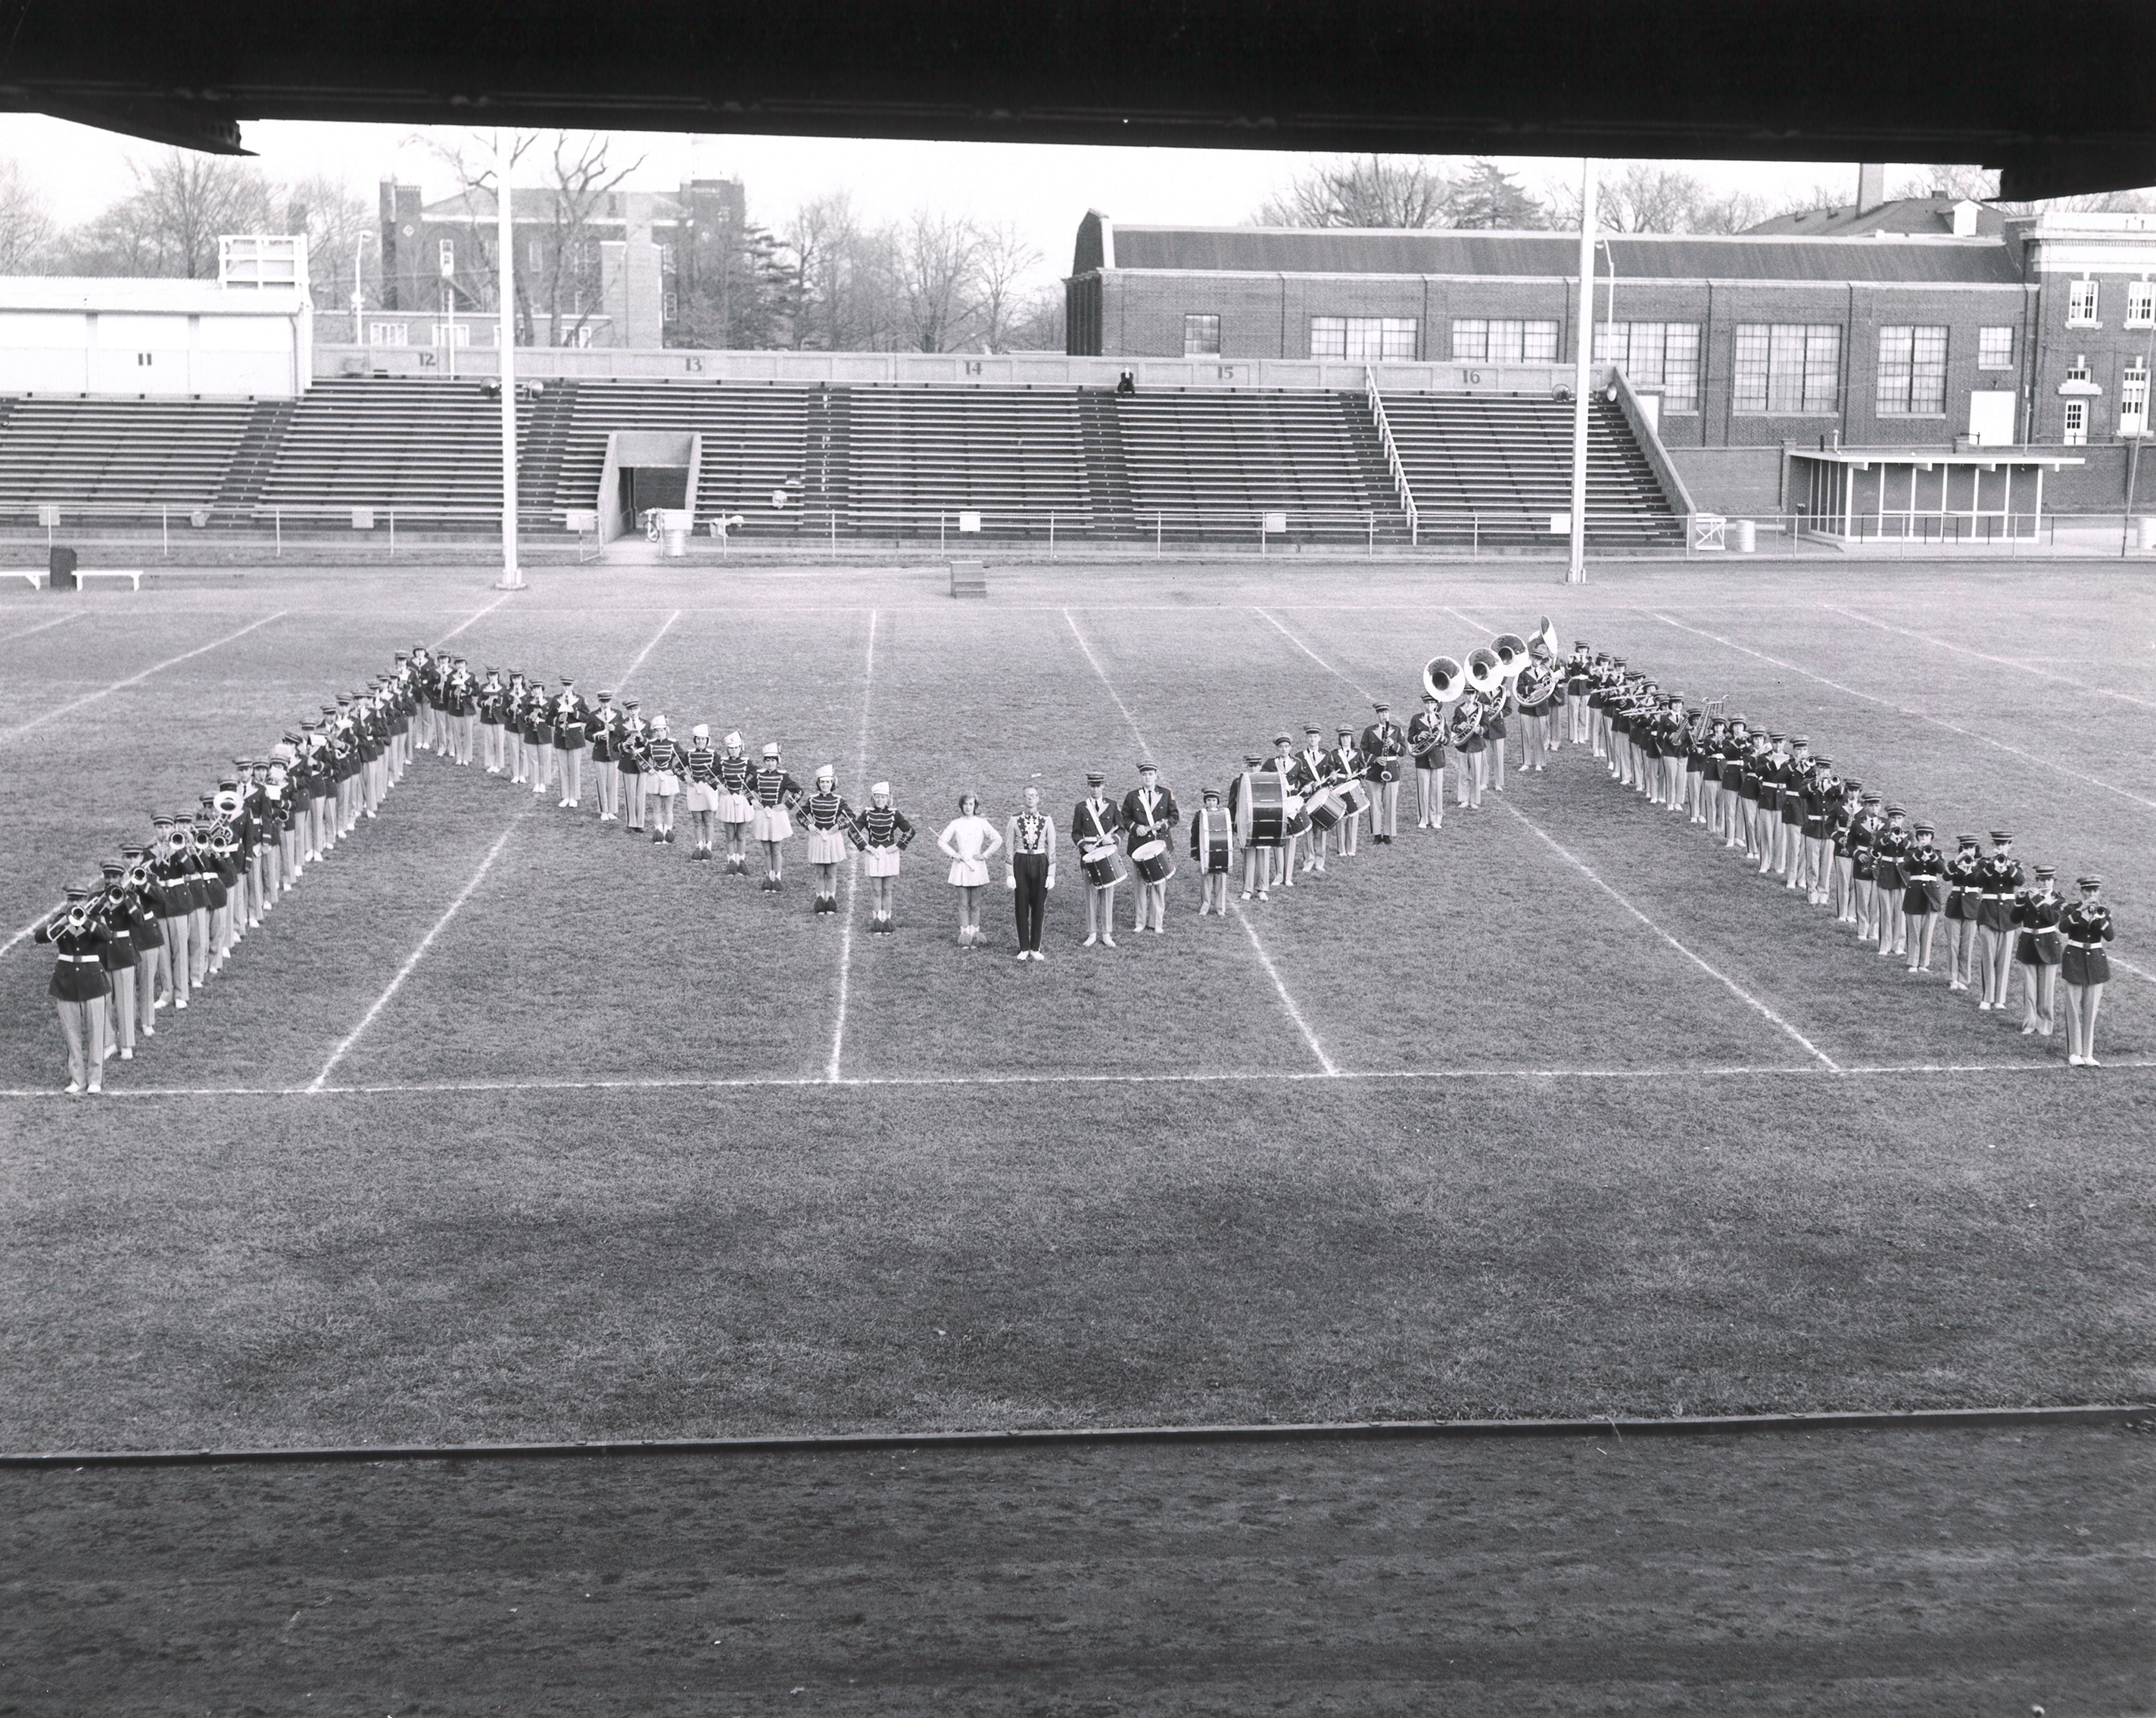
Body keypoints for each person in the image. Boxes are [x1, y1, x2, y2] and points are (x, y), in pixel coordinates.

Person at [35, 884, 111, 1094]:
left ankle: (95, 1079)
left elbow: (107, 936)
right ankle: (77, 1079)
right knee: (72, 1035)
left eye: (79, 900)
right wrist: (62, 922)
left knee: (96, 1032)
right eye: (72, 900)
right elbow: (40, 937)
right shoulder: (61, 919)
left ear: (86, 901)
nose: (75, 904)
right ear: (67, 901)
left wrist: (85, 920)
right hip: (66, 981)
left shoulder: (95, 917)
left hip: (93, 981)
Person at [2060, 876, 2114, 1067]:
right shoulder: (2071, 909)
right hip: (2075, 958)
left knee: (2091, 1009)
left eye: (2095, 891)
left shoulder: (2103, 911)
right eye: (2088, 891)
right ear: (2082, 892)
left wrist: (2101, 919)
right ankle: (2075, 1052)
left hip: (2095, 962)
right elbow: (2063, 926)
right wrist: (2080, 910)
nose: (2092, 895)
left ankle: (2088, 1053)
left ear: (2099, 893)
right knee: (2074, 1008)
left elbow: (2110, 936)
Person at [939, 793, 1004, 949]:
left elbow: (998, 839)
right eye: (966, 804)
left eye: (971, 804)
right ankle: (965, 936)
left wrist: (985, 855)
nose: (968, 807)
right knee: (963, 904)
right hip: (960, 866)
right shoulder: (955, 823)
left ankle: (975, 934)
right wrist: (954, 854)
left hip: (977, 867)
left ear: (975, 806)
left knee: (975, 904)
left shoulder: (982, 823)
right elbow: (941, 841)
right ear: (961, 806)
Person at [1120, 761, 1179, 934]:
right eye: (1144, 774)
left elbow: (1175, 816)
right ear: (1141, 776)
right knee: (1140, 886)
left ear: (1156, 775)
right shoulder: (1132, 796)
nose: (1147, 777)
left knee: (1159, 885)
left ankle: (1156, 922)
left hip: (1160, 846)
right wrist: (1135, 828)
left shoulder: (1166, 794)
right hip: (1139, 846)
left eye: (1150, 774)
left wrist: (1164, 825)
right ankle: (1140, 922)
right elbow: (1124, 817)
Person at [2011, 864, 2067, 1036]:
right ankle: (2029, 1024)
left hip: (2049, 946)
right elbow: (2014, 919)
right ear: (2037, 880)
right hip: (2028, 944)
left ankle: (2045, 1026)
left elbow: (2052, 919)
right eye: (2042, 879)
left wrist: (2037, 900)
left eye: (2049, 879)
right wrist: (2020, 901)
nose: (2046, 883)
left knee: (2046, 989)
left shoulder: (2059, 901)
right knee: (2030, 988)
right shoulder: (2029, 897)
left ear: (2053, 881)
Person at [856, 782, 916, 935]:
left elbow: (910, 831)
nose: (880, 800)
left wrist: (897, 846)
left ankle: (887, 921)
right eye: (877, 797)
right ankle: (877, 922)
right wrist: (866, 846)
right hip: (873, 853)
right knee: (876, 891)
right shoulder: (867, 813)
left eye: (883, 797)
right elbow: (853, 831)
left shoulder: (895, 813)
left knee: (887, 890)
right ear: (873, 798)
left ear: (888, 798)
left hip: (890, 854)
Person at [1974, 831, 2024, 1011]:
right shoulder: (1984, 863)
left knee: (2004, 958)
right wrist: (1991, 865)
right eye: (1997, 845)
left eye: (2004, 845)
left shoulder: (2016, 863)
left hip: (2008, 914)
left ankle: (1999, 999)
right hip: (1988, 911)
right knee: (1989, 956)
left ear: (2010, 845)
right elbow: (1977, 881)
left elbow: (2020, 880)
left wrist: (2008, 864)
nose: (2000, 848)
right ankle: (1987, 997)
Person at [1072, 770, 1123, 945]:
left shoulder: (1112, 805)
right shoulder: (1081, 807)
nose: (1095, 790)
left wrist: (1114, 839)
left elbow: (1121, 828)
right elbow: (1076, 832)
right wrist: (1083, 845)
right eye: (1092, 786)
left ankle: (1106, 933)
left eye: (1098, 786)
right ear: (1088, 786)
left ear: (1104, 786)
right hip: (1089, 857)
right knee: (1091, 895)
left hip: (1107, 856)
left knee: (1107, 895)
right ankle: (1092, 932)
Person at [1004, 784, 1055, 958]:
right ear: (1023, 798)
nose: (1030, 799)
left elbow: (1052, 848)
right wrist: (1010, 873)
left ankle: (1035, 947)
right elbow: (1009, 848)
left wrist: (1051, 873)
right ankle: (1024, 947)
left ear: (1038, 798)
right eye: (1027, 796)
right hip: (1021, 861)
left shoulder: (1047, 820)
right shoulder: (1014, 820)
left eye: (1033, 795)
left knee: (1039, 906)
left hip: (1040, 861)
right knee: (1021, 905)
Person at [799, 765, 855, 915]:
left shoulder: (838, 800)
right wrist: (809, 825)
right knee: (819, 873)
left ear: (832, 783)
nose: (825, 785)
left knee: (831, 872)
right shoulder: (812, 800)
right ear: (818, 783)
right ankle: (820, 902)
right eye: (822, 782)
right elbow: (800, 815)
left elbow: (851, 817)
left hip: (832, 838)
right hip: (817, 837)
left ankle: (831, 902)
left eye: (828, 782)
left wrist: (838, 826)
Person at [750, 742, 801, 890]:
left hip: (777, 815)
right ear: (764, 761)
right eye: (768, 760)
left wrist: (786, 805)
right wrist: (752, 800)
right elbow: (745, 788)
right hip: (762, 814)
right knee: (766, 850)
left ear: (777, 762)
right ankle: (769, 877)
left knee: (776, 849)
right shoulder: (758, 775)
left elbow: (799, 791)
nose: (770, 763)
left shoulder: (783, 776)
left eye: (773, 761)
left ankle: (777, 878)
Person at [1900, 822, 1946, 974]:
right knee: (1914, 927)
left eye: (1927, 836)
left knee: (1928, 929)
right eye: (1922, 836)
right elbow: (1907, 867)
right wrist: (1919, 853)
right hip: (1915, 891)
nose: (1924, 838)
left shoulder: (1937, 853)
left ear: (1932, 837)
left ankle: (1923, 963)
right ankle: (1913, 961)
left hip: (1931, 893)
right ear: (1918, 837)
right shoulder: (1910, 852)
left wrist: (1931, 855)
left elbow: (1941, 869)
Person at [1943, 833, 1984, 991]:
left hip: (1973, 906)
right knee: (1953, 943)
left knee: (1967, 944)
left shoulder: (1981, 865)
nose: (1968, 851)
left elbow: (1979, 880)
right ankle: (1952, 977)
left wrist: (1973, 865)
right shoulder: (1955, 863)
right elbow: (1946, 876)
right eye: (1966, 847)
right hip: (1954, 905)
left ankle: (1963, 978)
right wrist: (1957, 861)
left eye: (1971, 848)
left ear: (1976, 849)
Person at [1360, 701, 1407, 840]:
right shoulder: (1369, 731)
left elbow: (1404, 751)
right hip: (1374, 771)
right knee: (1375, 803)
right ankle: (1376, 834)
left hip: (1391, 770)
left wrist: (1394, 744)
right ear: (1377, 714)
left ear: (1389, 713)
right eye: (1381, 713)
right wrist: (1375, 759)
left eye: (1386, 712)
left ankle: (1388, 834)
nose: (1384, 715)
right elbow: (1362, 751)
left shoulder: (1397, 730)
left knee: (1390, 802)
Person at [1227, 755, 1270, 900]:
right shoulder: (1238, 782)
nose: (1253, 768)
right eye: (1251, 766)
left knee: (1263, 855)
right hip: (1246, 823)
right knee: (1248, 855)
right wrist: (1233, 827)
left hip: (1263, 822)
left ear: (1260, 766)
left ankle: (1262, 889)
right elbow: (1232, 805)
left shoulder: (1266, 781)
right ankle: (1248, 889)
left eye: (1256, 765)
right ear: (1247, 766)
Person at [1189, 785, 1235, 915]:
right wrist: (1195, 852)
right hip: (1205, 853)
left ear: (1218, 802)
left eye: (1214, 800)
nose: (1211, 803)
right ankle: (1205, 905)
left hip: (1221, 852)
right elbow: (1194, 833)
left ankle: (1220, 908)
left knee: (1220, 879)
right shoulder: (1200, 815)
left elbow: (1228, 833)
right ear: (1205, 801)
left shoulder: (1223, 815)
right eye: (1209, 800)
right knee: (1206, 879)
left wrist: (1229, 851)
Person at [715, 731, 756, 875]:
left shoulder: (746, 762)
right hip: (728, 801)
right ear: (727, 749)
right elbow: (709, 775)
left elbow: (758, 776)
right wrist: (719, 786)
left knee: (741, 835)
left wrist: (747, 788)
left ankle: (741, 863)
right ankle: (731, 863)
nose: (733, 751)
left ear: (741, 748)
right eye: (731, 748)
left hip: (742, 801)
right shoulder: (723, 762)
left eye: (736, 748)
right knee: (729, 835)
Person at [1407, 694, 1447, 831]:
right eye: (1427, 703)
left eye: (1432, 703)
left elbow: (1447, 740)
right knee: (1423, 791)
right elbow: (1410, 738)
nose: (1429, 706)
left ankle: (1436, 819)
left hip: (1437, 758)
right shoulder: (1416, 719)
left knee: (1436, 791)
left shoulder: (1441, 719)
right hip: (1422, 759)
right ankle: (1423, 818)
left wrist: (1441, 737)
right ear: (1424, 704)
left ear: (1436, 705)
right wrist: (1419, 737)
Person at [681, 724, 721, 859]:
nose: (701, 742)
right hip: (694, 789)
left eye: (703, 739)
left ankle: (708, 848)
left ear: (708, 740)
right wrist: (685, 777)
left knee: (709, 820)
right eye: (698, 739)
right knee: (697, 820)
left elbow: (721, 771)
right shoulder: (689, 754)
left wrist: (713, 781)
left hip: (709, 790)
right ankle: (698, 847)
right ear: (695, 740)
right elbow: (678, 768)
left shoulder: (713, 754)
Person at [552, 678, 590, 809]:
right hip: (560, 737)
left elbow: (587, 717)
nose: (566, 687)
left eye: (569, 685)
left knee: (574, 768)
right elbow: (548, 718)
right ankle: (565, 796)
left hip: (575, 737)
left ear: (573, 685)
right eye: (564, 685)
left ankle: (574, 796)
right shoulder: (556, 699)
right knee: (563, 768)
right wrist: (558, 720)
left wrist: (574, 712)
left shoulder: (579, 699)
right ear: (561, 685)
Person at [643, 716, 681, 845]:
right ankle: (658, 833)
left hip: (669, 779)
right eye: (657, 731)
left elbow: (684, 759)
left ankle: (668, 833)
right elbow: (641, 759)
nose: (659, 733)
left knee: (669, 809)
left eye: (662, 730)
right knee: (657, 808)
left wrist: (674, 771)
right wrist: (649, 770)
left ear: (667, 730)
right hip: (655, 778)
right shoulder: (651, 744)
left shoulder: (673, 743)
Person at [587, 690, 622, 822]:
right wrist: (597, 736)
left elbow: (624, 733)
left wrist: (616, 729)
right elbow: (588, 734)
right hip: (599, 753)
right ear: (599, 702)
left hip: (613, 753)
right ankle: (603, 810)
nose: (605, 704)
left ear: (611, 701)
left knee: (612, 782)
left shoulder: (618, 714)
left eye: (607, 701)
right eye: (603, 701)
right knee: (601, 782)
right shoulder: (593, 716)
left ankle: (612, 810)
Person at [617, 700, 648, 833]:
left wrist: (641, 738)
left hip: (642, 761)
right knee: (630, 793)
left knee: (641, 794)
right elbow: (614, 745)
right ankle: (631, 822)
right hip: (628, 760)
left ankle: (640, 823)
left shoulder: (646, 724)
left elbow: (651, 744)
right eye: (630, 710)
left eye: (635, 709)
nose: (633, 712)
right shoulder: (621, 725)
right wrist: (624, 744)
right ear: (627, 711)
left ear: (639, 709)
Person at [478, 666, 509, 775]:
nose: (492, 677)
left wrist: (496, 699)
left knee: (499, 741)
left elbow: (505, 701)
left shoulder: (503, 688)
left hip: (500, 718)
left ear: (498, 676)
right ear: (488, 676)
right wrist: (485, 703)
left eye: (494, 675)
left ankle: (498, 764)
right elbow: (479, 702)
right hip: (487, 717)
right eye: (490, 675)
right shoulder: (483, 687)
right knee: (489, 741)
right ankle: (491, 763)